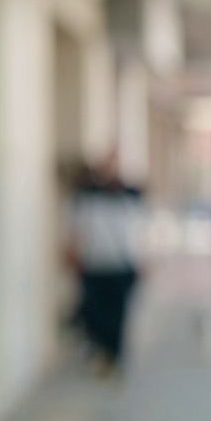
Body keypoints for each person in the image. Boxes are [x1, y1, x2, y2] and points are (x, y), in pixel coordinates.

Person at [66, 151, 146, 376]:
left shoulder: (130, 194)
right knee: (94, 314)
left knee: (118, 316)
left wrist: (145, 259)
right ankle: (100, 354)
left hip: (121, 265)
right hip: (94, 264)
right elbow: (76, 226)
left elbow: (141, 229)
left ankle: (114, 359)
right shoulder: (86, 195)